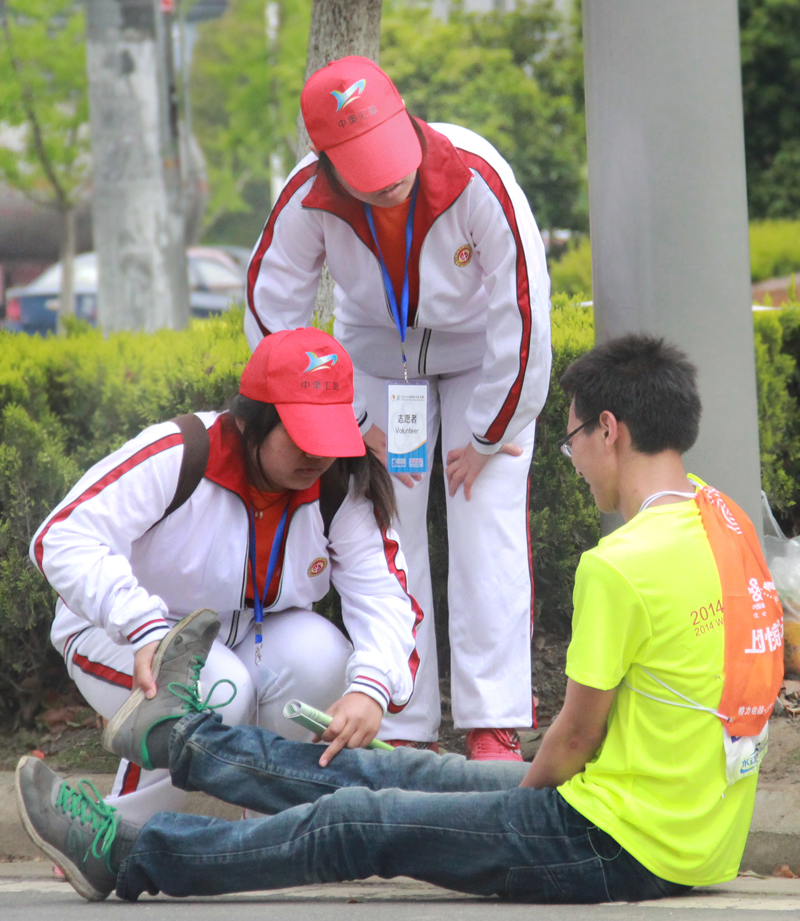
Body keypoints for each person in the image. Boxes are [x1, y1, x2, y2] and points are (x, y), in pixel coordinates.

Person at [17, 334, 783, 904]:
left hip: (619, 837)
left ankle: (127, 851)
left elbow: (575, 737)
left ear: (607, 429)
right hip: (683, 826)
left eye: (572, 437)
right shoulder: (725, 521)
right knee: (408, 771)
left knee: (362, 820)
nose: (573, 458)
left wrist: (497, 796)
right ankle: (184, 739)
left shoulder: (620, 563)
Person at [245, 55, 551, 757]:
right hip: (379, 358)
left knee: (488, 520)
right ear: (324, 158)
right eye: (361, 162)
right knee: (386, 517)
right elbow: (272, 320)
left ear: (404, 112)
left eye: (389, 149)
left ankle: (491, 722)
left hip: (480, 358)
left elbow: (525, 312)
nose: (387, 175)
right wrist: (348, 426)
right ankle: (405, 720)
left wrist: (490, 431)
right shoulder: (304, 196)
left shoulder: (477, 172)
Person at [29, 326, 421, 824]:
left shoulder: (339, 482)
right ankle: (111, 833)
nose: (319, 455)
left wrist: (371, 688)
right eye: (303, 436)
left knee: (325, 661)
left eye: (330, 437)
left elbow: (385, 594)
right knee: (217, 691)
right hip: (119, 632)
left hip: (245, 635)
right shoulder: (182, 450)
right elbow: (60, 535)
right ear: (251, 421)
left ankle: (268, 833)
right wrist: (141, 623)